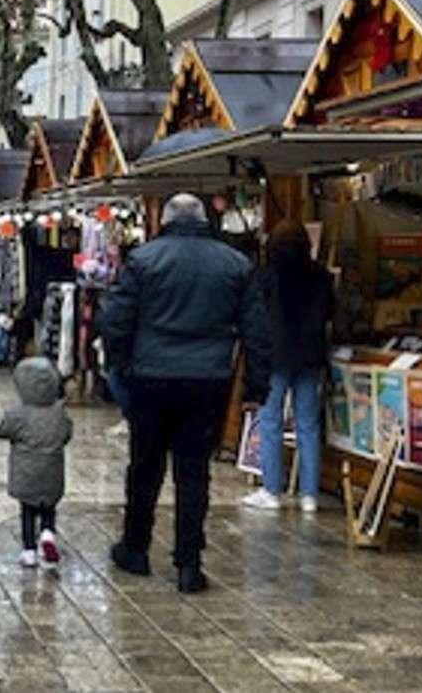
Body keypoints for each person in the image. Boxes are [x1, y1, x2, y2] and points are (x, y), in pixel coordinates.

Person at [98, 193, 270, 593]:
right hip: (208, 379)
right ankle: (188, 563)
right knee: (194, 472)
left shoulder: (143, 260)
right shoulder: (236, 264)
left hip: (150, 375)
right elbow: (257, 332)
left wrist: (119, 366)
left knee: (145, 465)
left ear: (168, 219)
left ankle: (136, 547)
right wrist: (255, 386)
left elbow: (115, 319)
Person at [242, 221, 333, 514]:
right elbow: (331, 313)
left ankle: (272, 490)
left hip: (275, 356)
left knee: (271, 421)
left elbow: (256, 315)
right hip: (310, 356)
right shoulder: (321, 276)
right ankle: (309, 495)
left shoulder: (266, 276)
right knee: (308, 425)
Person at [0, 356, 74, 569]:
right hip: (53, 474)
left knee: (27, 511)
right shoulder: (59, 413)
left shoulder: (18, 415)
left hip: (26, 476)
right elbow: (67, 434)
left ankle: (29, 550)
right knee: (49, 507)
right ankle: (47, 534)